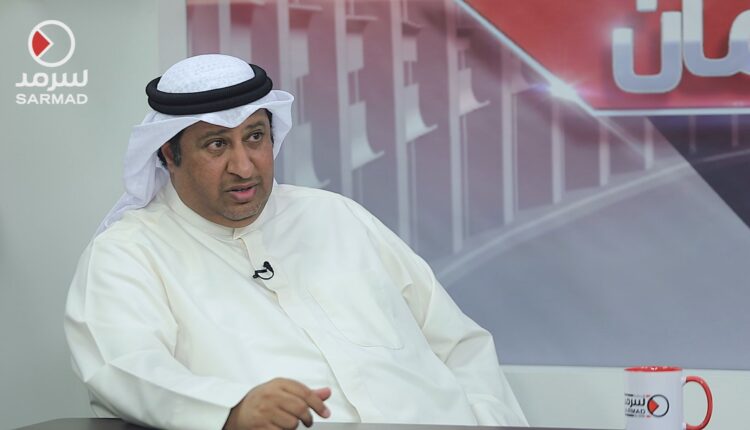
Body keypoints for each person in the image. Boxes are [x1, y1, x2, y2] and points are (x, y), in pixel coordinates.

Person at [64, 54, 527, 430]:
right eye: (217, 145)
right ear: (169, 153)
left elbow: (459, 344)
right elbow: (124, 367)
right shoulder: (129, 253)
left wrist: (491, 421)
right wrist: (231, 409)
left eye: (255, 137)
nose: (244, 166)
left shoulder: (336, 216)